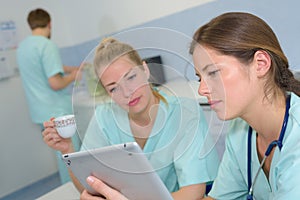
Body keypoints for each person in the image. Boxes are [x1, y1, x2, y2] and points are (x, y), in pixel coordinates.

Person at [43, 38, 220, 199]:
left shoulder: (185, 113)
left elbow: (193, 193)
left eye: (131, 77)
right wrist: (67, 149)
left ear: (145, 69)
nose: (127, 93)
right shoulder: (105, 117)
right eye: (113, 88)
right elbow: (88, 185)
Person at [189, 12, 300, 199]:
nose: (202, 90)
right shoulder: (240, 131)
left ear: (260, 64)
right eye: (200, 78)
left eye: (213, 73)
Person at [17, 8, 81, 184]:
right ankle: (77, 189)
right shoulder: (47, 44)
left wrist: (69, 69)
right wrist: (73, 76)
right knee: (70, 153)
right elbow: (55, 82)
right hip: (57, 109)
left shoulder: (23, 47)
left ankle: (69, 188)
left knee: (60, 153)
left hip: (40, 111)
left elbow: (48, 68)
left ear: (31, 25)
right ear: (50, 24)